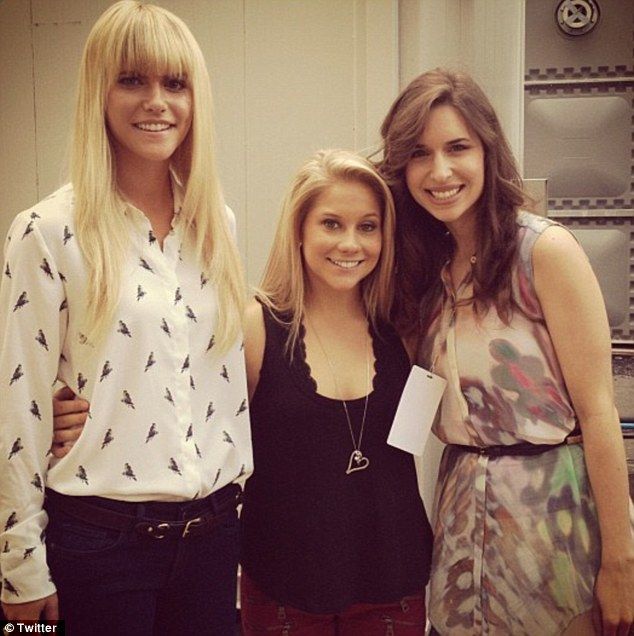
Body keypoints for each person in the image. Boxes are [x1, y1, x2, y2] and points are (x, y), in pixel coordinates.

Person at [52, 149, 434, 635]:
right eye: (331, 224)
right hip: (284, 585)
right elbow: (174, 399)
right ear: (299, 231)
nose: (350, 243)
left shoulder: (405, 327)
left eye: (368, 226)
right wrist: (65, 414)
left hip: (392, 580)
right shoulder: (252, 327)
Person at [0, 2, 251, 634]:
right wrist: (18, 569)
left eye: (175, 83)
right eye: (132, 80)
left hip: (213, 537)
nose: (156, 102)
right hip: (100, 545)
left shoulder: (216, 224)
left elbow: (213, 381)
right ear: (99, 92)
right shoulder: (45, 231)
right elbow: (19, 406)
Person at [378, 68, 634, 635]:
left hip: (556, 526)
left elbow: (599, 413)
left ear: (488, 150)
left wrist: (622, 561)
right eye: (419, 153)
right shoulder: (423, 269)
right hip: (459, 522)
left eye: (457, 148)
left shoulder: (544, 251)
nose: (439, 171)